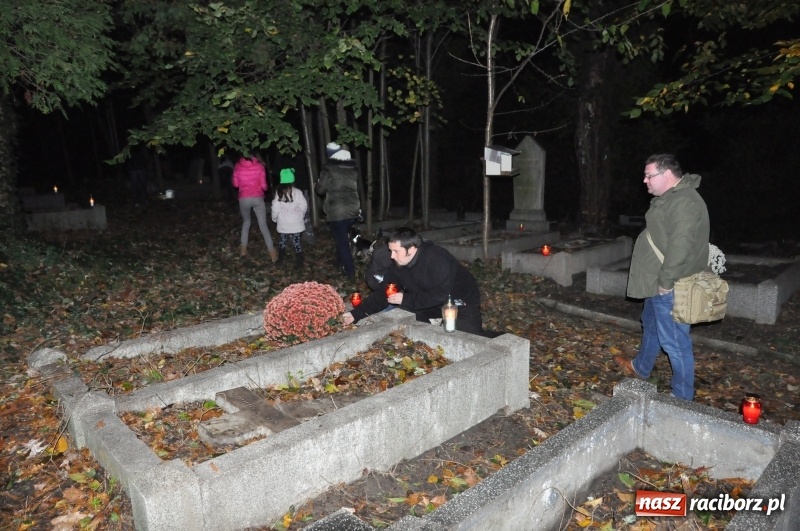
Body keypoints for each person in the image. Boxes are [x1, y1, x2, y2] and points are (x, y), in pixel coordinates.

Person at [613, 154, 710, 401]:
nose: (644, 180)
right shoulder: (671, 198)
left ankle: (682, 399)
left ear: (667, 175)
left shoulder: (685, 202)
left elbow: (681, 246)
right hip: (656, 283)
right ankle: (640, 367)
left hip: (671, 285)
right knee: (652, 325)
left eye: (649, 175)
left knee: (676, 342)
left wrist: (666, 282)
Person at [343, 227, 486, 336]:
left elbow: (442, 293)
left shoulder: (437, 259)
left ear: (411, 249)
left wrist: (407, 298)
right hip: (427, 302)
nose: (392, 256)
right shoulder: (398, 265)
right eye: (390, 251)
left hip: (458, 301)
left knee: (470, 338)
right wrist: (356, 314)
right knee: (403, 317)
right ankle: (426, 334)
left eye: (396, 251)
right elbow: (383, 293)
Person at [315, 142, 360, 279]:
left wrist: (316, 184)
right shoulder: (352, 169)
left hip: (337, 210)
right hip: (353, 209)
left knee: (342, 241)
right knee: (342, 237)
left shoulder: (328, 169)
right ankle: (338, 262)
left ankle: (350, 273)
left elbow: (321, 190)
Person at [232, 152, 277, 261]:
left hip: (244, 198)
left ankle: (243, 250)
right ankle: (272, 254)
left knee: (246, 222)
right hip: (257, 197)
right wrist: (264, 188)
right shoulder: (260, 166)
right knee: (263, 225)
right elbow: (264, 186)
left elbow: (235, 184)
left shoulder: (237, 166)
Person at [271, 168, 308, 267]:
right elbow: (304, 205)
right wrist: (301, 215)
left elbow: (275, 208)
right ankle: (299, 262)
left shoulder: (279, 193)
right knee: (297, 242)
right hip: (296, 223)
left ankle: (280, 260)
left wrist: (274, 219)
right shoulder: (298, 192)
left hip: (283, 223)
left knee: (282, 241)